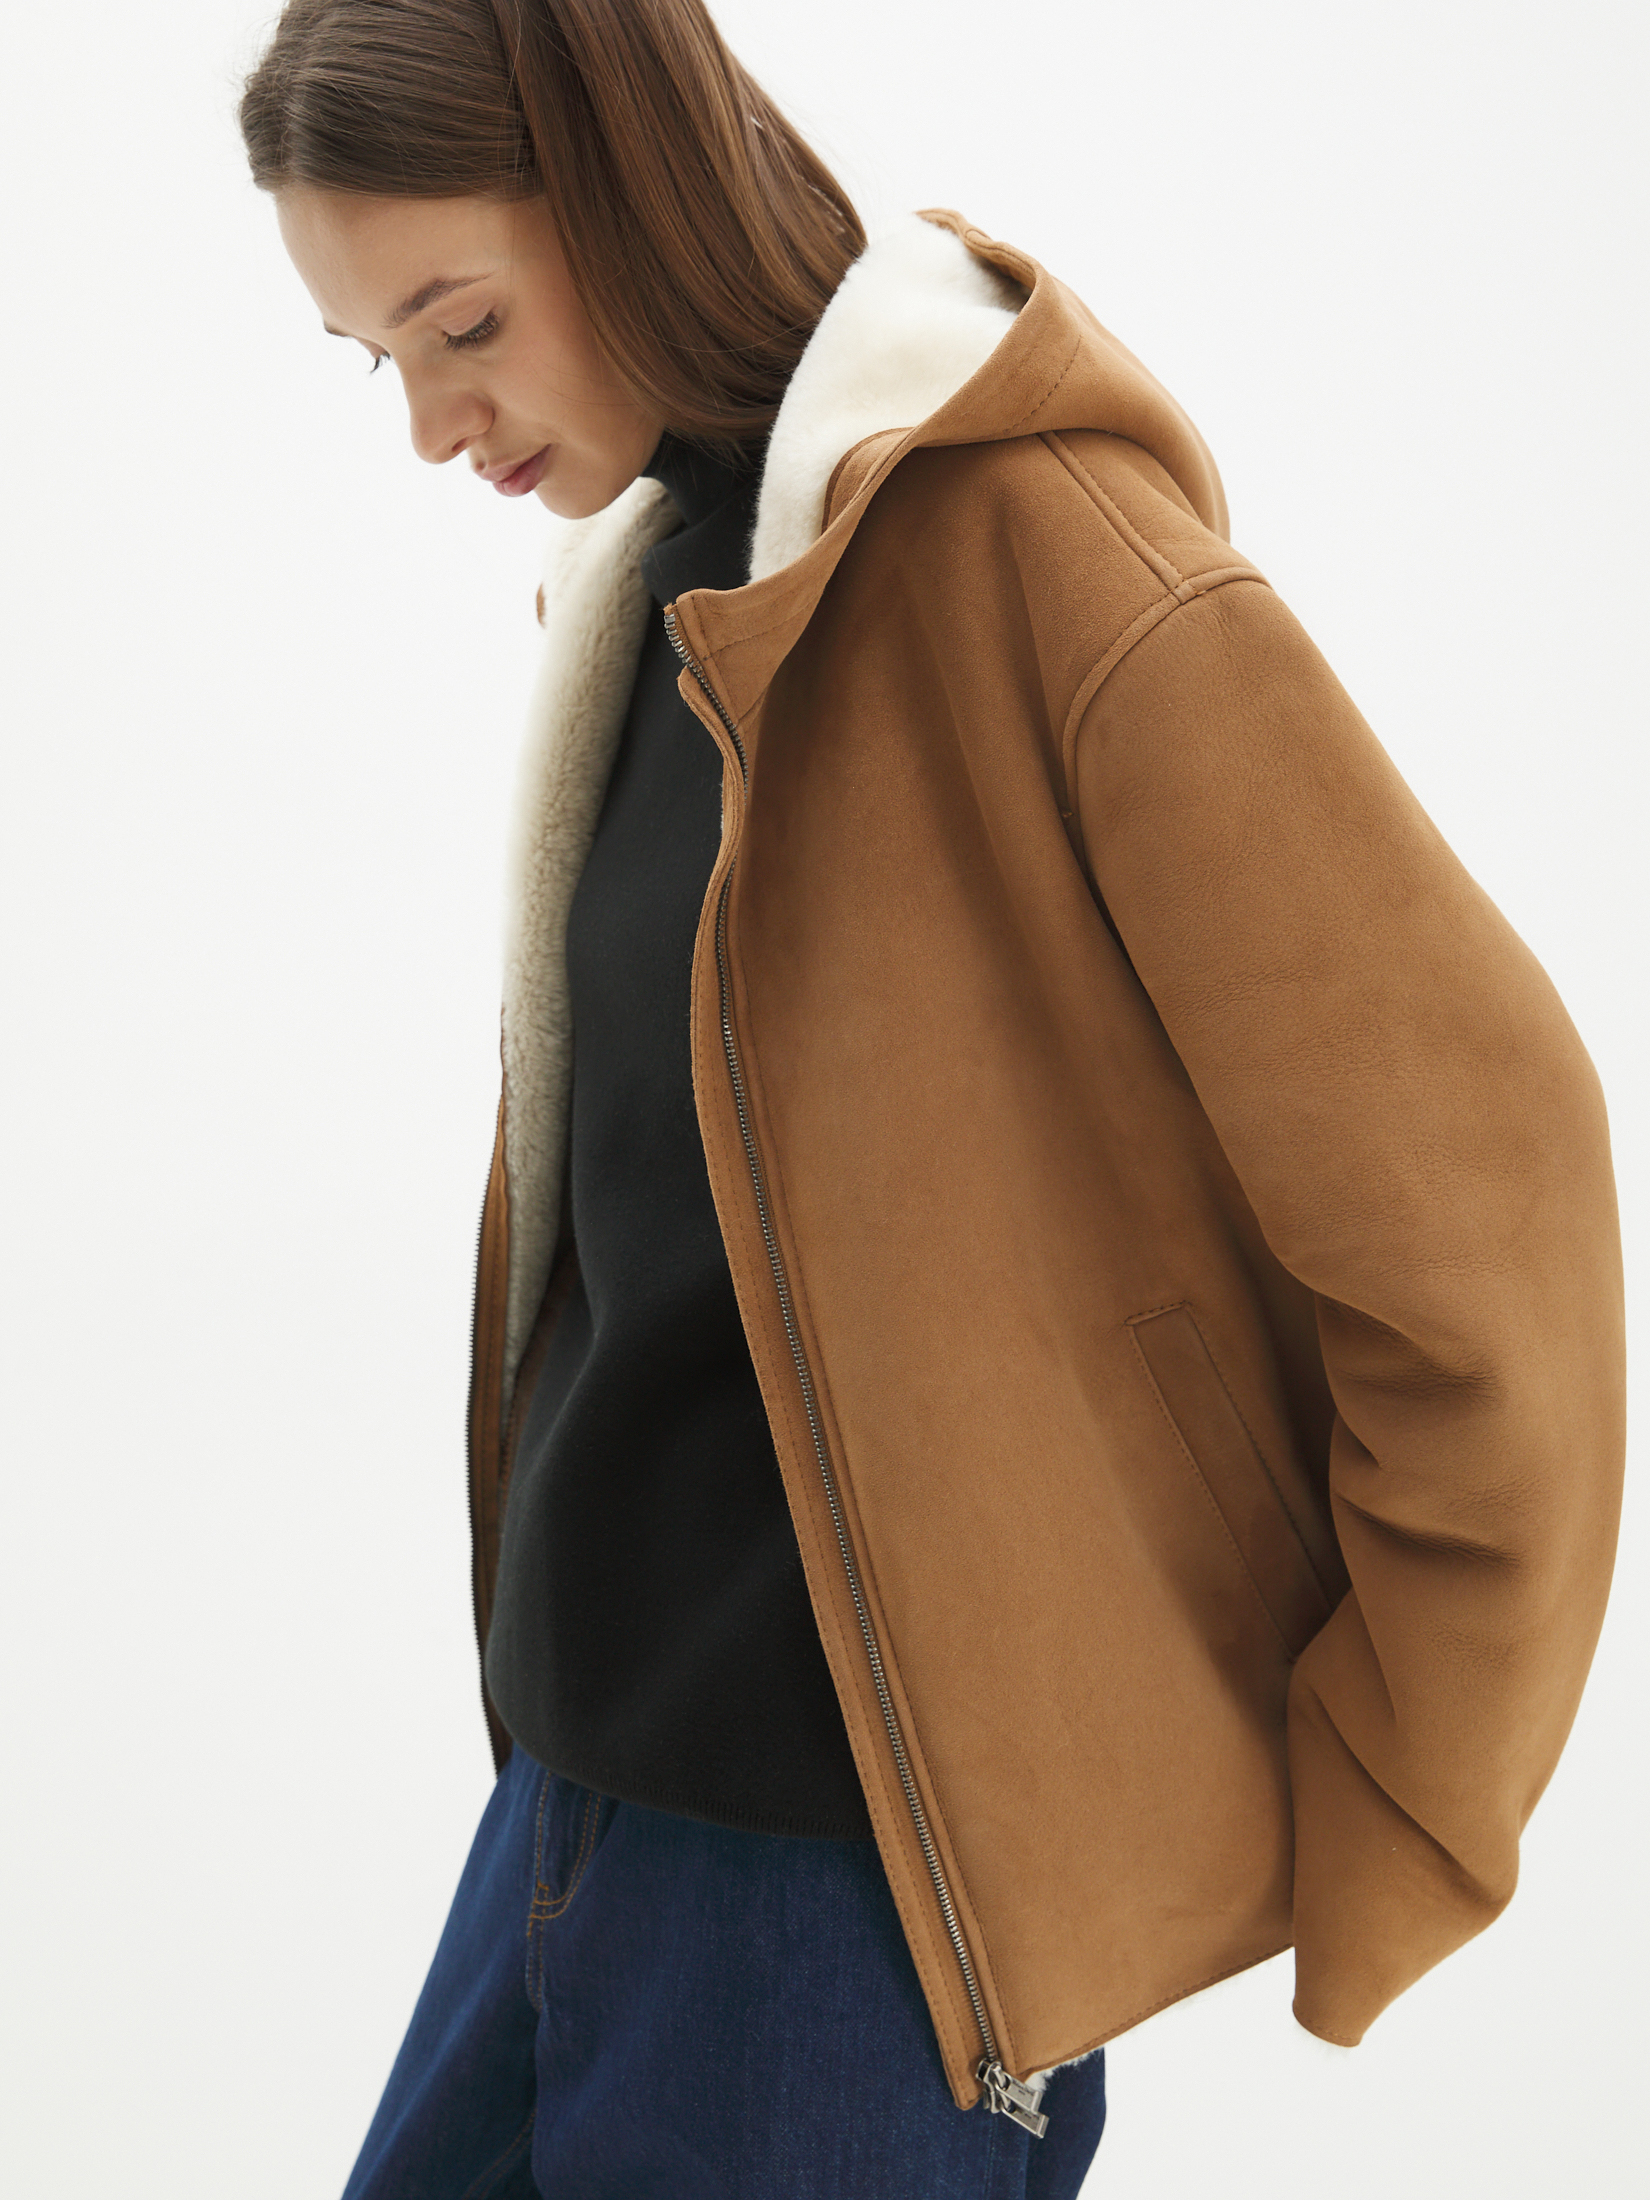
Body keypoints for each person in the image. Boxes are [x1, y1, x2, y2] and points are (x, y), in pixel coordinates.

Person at [240, 2, 1627, 2194]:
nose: (429, 423)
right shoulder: (665, 583)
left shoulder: (1044, 557)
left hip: (846, 1918)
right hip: (571, 1831)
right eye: (372, 358)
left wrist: (1406, 1791)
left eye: (460, 324)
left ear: (631, 185)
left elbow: (1489, 1204)